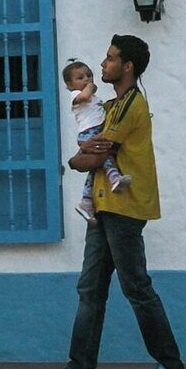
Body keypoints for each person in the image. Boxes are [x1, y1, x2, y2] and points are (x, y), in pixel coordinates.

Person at [42, 33, 186, 369]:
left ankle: (172, 368)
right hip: (104, 205)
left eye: (109, 59)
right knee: (90, 288)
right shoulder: (111, 106)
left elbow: (91, 155)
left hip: (124, 207)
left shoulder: (130, 106)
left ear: (128, 67)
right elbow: (91, 147)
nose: (102, 64)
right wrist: (85, 153)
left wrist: (77, 159)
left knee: (136, 287)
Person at [59, 57, 103, 237]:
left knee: (97, 168)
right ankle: (113, 179)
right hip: (89, 133)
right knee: (105, 158)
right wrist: (91, 87)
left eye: (89, 76)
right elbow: (84, 95)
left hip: (96, 130)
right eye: (80, 77)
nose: (87, 79)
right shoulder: (75, 96)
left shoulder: (93, 98)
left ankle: (86, 200)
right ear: (70, 85)